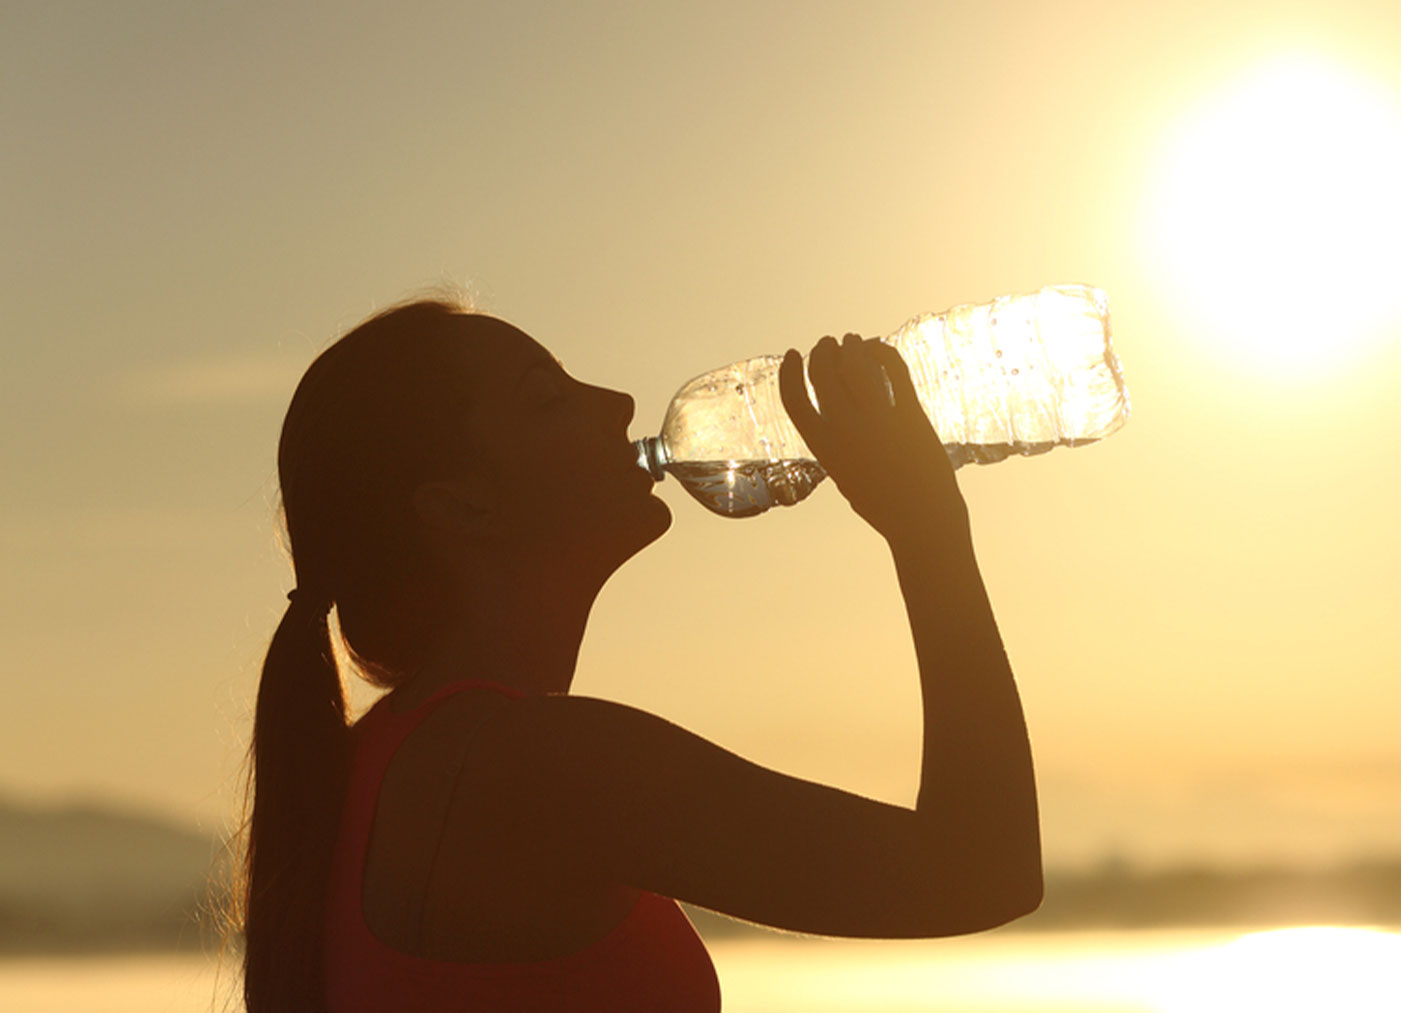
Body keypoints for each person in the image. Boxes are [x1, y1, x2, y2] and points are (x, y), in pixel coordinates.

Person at [237, 298, 1042, 1011]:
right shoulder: (530, 766)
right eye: (549, 399)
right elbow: (979, 868)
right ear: (463, 505)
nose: (617, 401)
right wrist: (928, 527)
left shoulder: (389, 764)